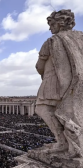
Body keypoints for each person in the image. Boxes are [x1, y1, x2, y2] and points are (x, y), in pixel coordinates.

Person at [35, 9, 83, 157]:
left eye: (52, 24)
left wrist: (43, 73)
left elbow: (39, 66)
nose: (50, 28)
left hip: (54, 81)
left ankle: (62, 141)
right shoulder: (80, 37)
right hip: (76, 83)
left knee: (42, 108)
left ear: (60, 23)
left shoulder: (52, 41)